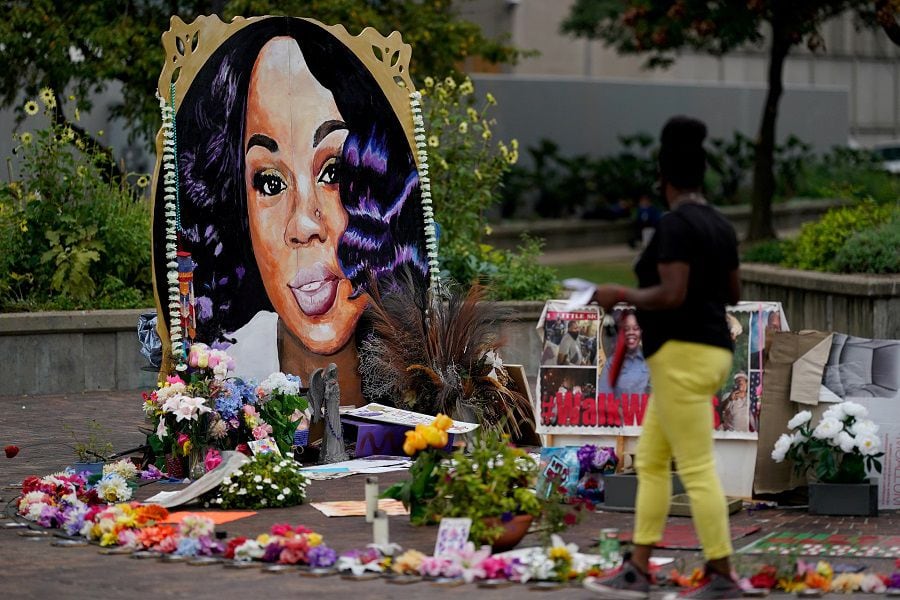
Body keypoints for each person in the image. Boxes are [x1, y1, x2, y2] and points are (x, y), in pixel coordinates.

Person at [153, 18, 428, 402]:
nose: (302, 224)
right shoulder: (224, 375)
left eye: (333, 171)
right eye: (270, 183)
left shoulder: (424, 372)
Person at [585, 116, 742, 599]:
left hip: (682, 357)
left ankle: (720, 573)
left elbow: (672, 294)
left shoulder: (674, 225)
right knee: (652, 460)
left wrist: (619, 292)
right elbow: (732, 292)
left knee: (694, 468)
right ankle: (637, 565)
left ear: (665, 178)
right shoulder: (719, 223)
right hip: (712, 351)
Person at [597, 309, 650, 397]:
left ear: (641, 332)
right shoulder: (611, 363)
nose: (631, 332)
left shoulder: (650, 360)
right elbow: (605, 399)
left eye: (636, 328)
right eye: (626, 329)